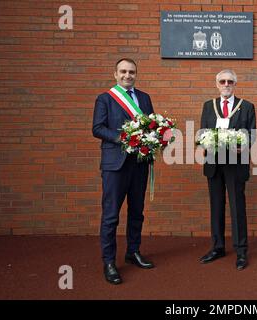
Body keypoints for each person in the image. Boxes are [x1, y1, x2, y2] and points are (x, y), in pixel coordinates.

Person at [92, 58, 155, 285]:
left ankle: (133, 251)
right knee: (111, 215)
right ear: (115, 74)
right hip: (115, 165)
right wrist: (122, 138)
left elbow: (151, 126)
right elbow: (97, 128)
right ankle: (109, 261)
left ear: (136, 74)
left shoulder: (145, 98)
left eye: (131, 72)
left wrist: (157, 137)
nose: (127, 75)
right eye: (123, 72)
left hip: (139, 163)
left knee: (137, 211)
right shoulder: (105, 99)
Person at [199, 69, 256, 270]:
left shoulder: (247, 107)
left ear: (234, 84)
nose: (226, 84)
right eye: (222, 81)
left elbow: (252, 135)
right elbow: (202, 133)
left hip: (235, 163)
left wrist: (242, 145)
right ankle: (217, 247)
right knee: (216, 206)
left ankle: (241, 251)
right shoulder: (208, 106)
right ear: (217, 84)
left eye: (230, 81)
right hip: (214, 164)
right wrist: (204, 142)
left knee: (237, 207)